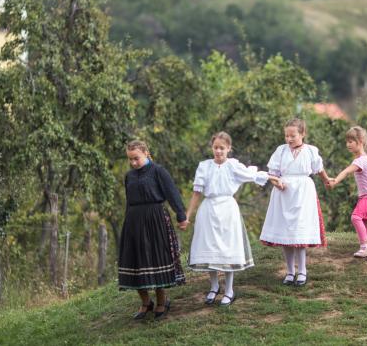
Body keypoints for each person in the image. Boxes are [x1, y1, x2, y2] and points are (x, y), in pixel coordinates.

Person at [185, 132, 281, 306]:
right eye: (216, 148)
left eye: (222, 148)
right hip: (209, 209)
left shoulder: (233, 166)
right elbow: (197, 192)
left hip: (227, 209)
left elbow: (253, 176)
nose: (219, 151)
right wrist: (188, 215)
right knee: (210, 247)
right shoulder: (204, 166)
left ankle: (229, 289)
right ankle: (214, 287)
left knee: (227, 248)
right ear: (212, 148)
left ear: (229, 148)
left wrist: (273, 178)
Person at [118, 140, 187, 321]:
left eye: (136, 158)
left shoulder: (158, 171)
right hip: (134, 221)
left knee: (156, 259)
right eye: (130, 160)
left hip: (155, 219)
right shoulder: (129, 176)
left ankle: (162, 302)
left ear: (146, 153)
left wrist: (181, 215)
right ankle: (146, 302)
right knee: (136, 261)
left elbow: (172, 193)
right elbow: (128, 201)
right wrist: (127, 225)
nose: (133, 163)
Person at [259, 118, 330, 286]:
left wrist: (327, 180)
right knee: (286, 233)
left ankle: (302, 271)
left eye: (293, 136)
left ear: (302, 134)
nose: (289, 139)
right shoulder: (281, 151)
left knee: (299, 231)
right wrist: (277, 182)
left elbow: (319, 169)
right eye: (286, 136)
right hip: (284, 194)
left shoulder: (311, 151)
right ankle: (290, 271)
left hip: (303, 193)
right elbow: (272, 174)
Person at [326, 126, 367, 260]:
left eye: (351, 141)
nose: (347, 144)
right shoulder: (365, 158)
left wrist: (335, 180)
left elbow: (347, 171)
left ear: (360, 142)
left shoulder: (360, 160)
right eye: (347, 141)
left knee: (355, 217)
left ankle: (364, 247)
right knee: (364, 224)